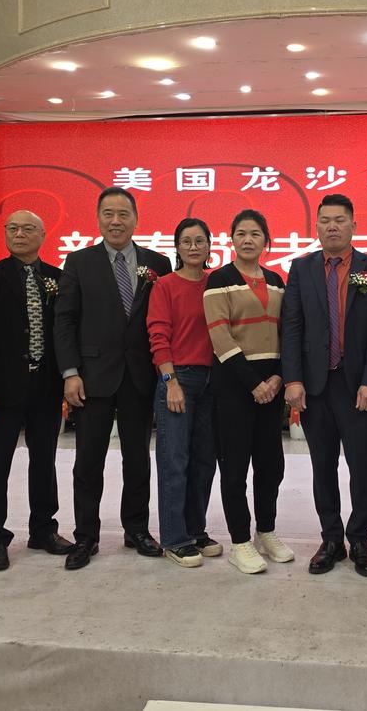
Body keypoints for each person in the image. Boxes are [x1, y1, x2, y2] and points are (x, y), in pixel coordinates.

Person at [54, 186, 172, 570]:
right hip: (92, 378)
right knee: (88, 461)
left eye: (123, 214)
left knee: (137, 459)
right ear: (98, 218)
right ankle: (85, 536)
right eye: (108, 213)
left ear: (136, 219)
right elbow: (65, 321)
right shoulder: (79, 261)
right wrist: (70, 372)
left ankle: (136, 529)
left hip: (139, 377)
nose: (116, 221)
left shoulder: (158, 262)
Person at [281, 193, 367, 577]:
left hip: (356, 385)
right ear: (316, 226)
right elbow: (291, 327)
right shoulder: (301, 268)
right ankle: (331, 538)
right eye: (325, 220)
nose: (332, 226)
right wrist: (293, 379)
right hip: (315, 387)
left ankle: (360, 538)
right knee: (322, 465)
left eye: (339, 220)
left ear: (353, 225)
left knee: (361, 465)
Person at [0, 210, 74, 572]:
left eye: (28, 229)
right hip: (0, 391)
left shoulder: (57, 278)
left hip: (45, 388)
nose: (19, 234)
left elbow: (65, 332)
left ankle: (44, 530)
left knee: (45, 462)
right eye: (12, 228)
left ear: (42, 235)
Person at [204, 210, 294, 575]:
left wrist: (277, 378)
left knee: (271, 466)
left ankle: (266, 531)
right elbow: (219, 335)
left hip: (271, 386)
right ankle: (240, 542)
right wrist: (253, 383)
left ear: (266, 241)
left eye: (255, 234)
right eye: (240, 233)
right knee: (235, 468)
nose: (247, 240)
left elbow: (288, 334)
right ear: (231, 240)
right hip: (234, 386)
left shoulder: (276, 282)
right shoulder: (219, 281)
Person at [146, 218, 219, 568]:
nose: (193, 247)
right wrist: (170, 381)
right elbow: (158, 335)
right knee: (174, 461)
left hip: (212, 381)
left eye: (199, 240)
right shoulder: (165, 285)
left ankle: (195, 530)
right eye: (186, 241)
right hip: (178, 380)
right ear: (176, 247)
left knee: (204, 461)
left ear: (209, 246)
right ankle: (175, 538)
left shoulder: (217, 283)